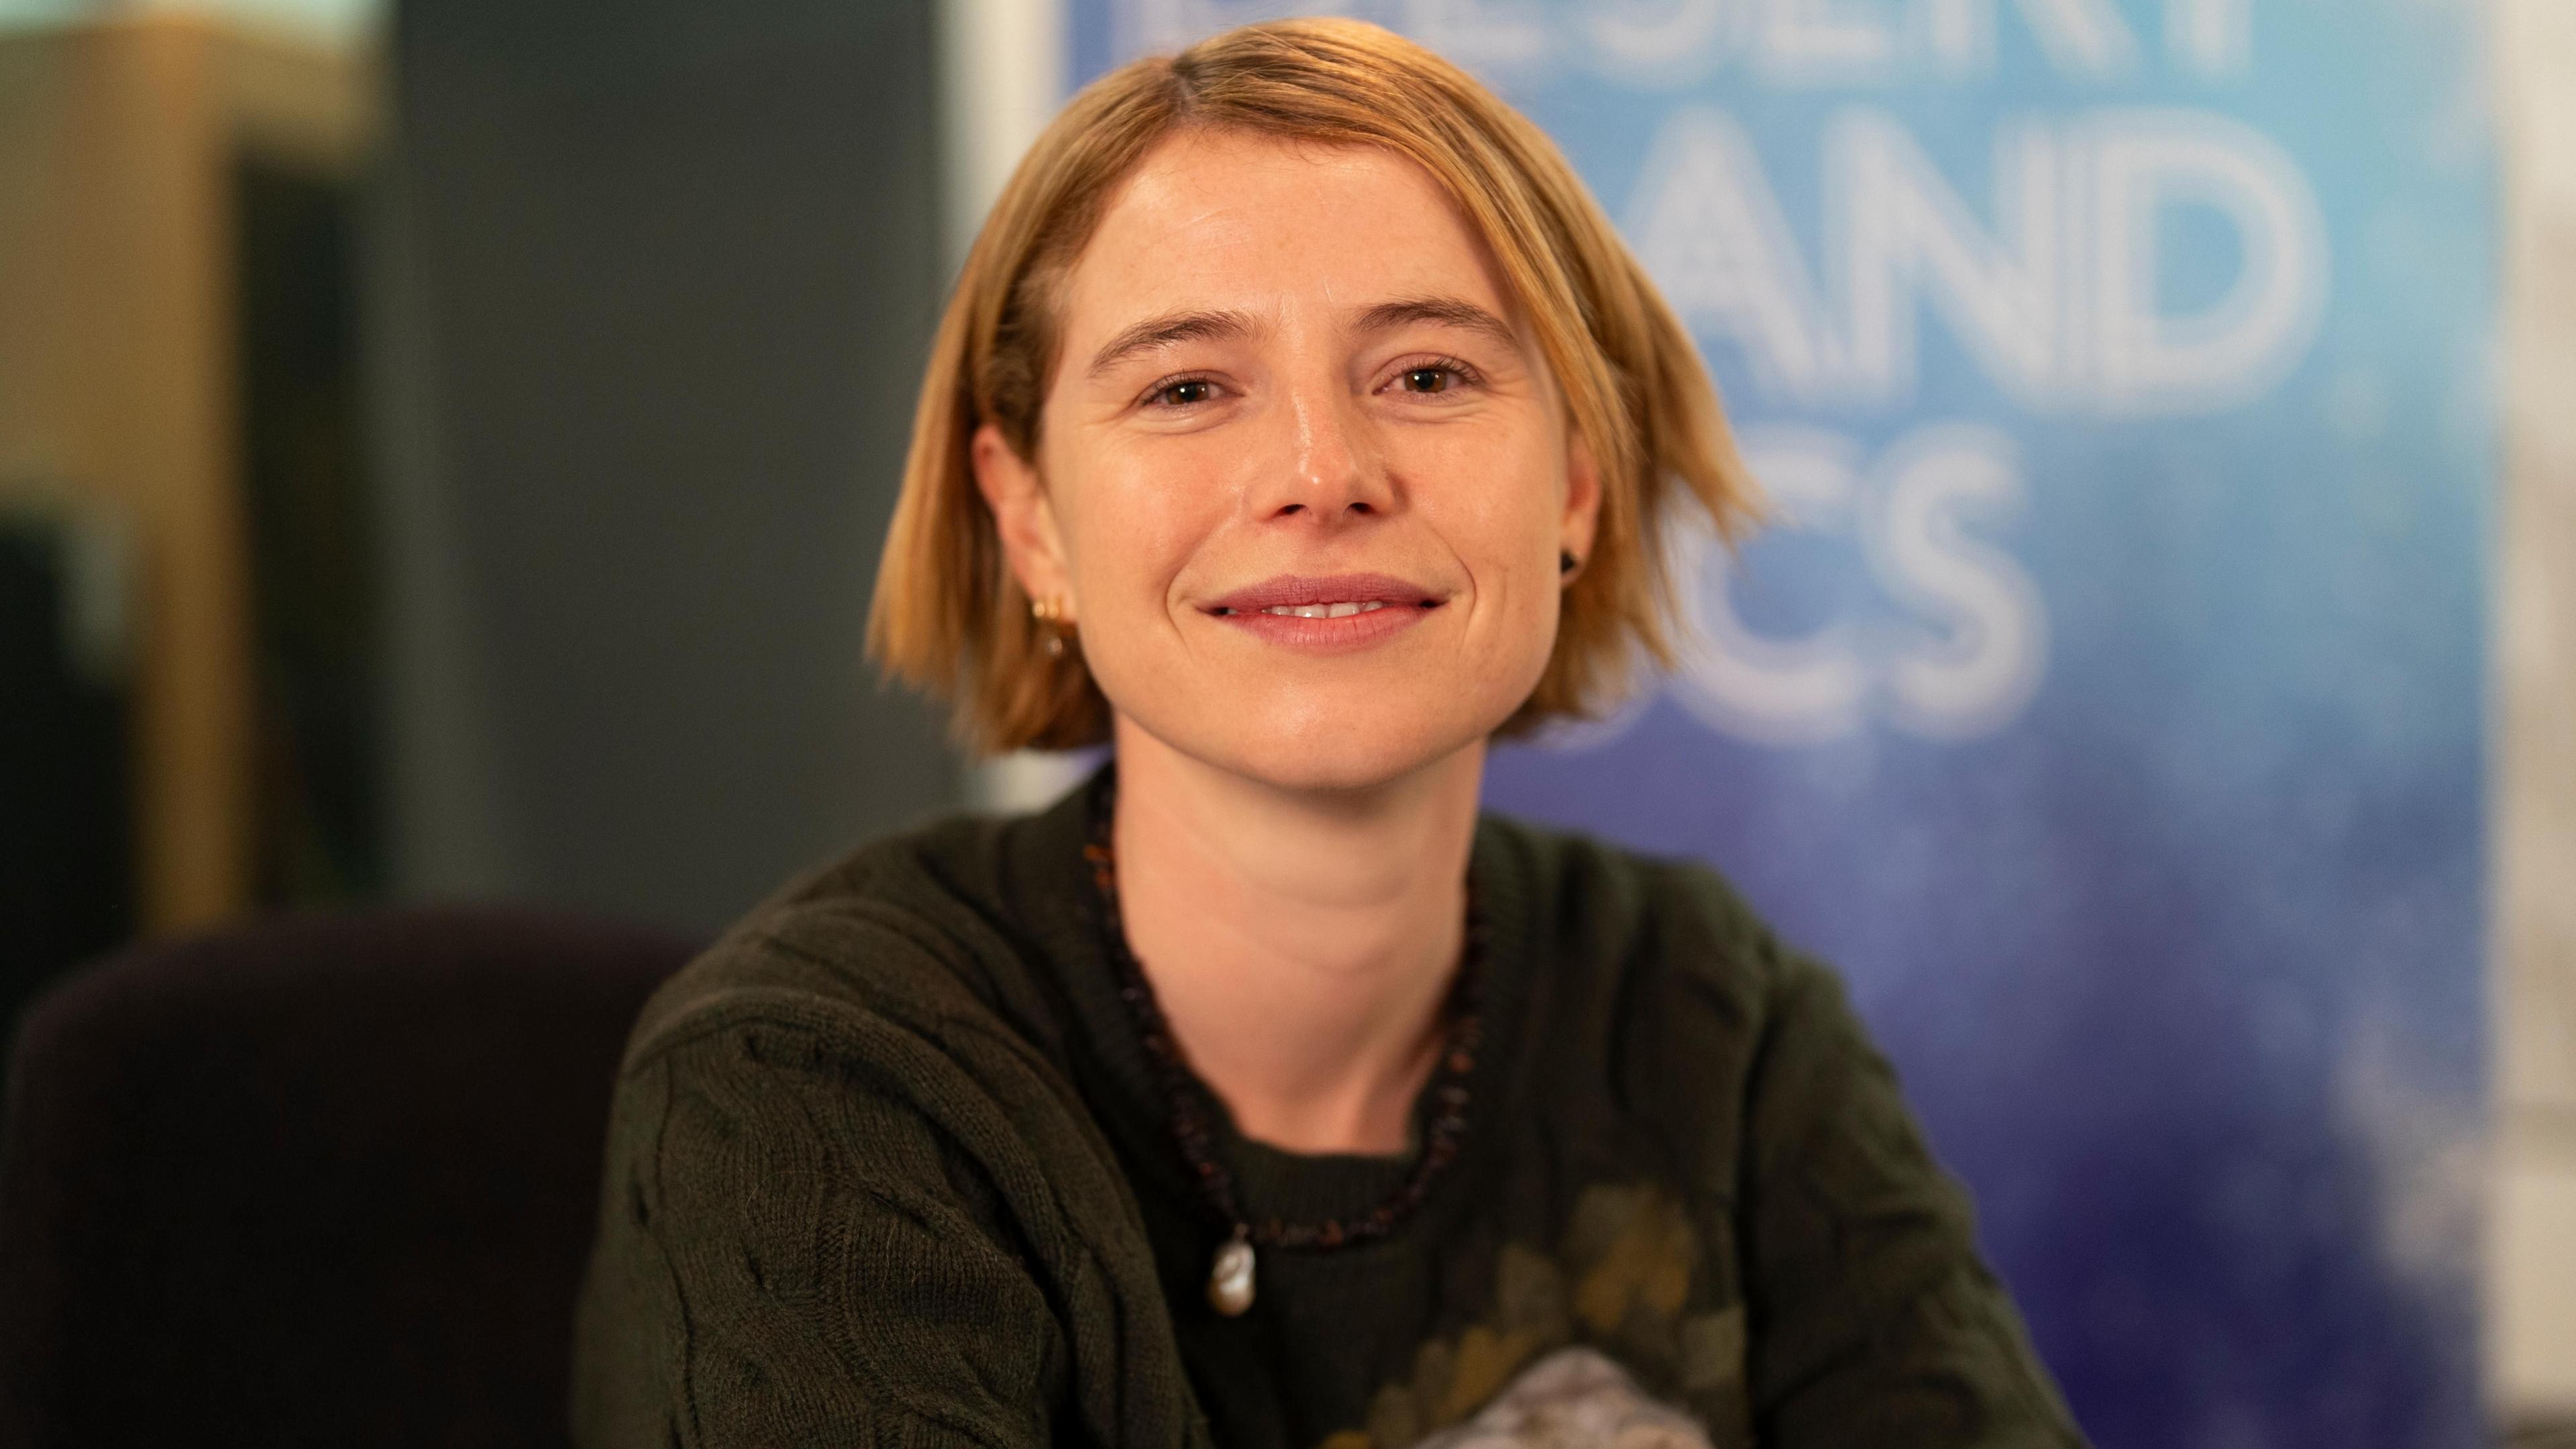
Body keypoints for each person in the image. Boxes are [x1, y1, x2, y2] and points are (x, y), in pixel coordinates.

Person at [569, 17, 2088, 1449]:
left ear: (1573, 487)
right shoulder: (816, 1087)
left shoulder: (1707, 1016)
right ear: (1030, 520)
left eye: (1428, 373)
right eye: (1187, 386)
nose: (1320, 472)